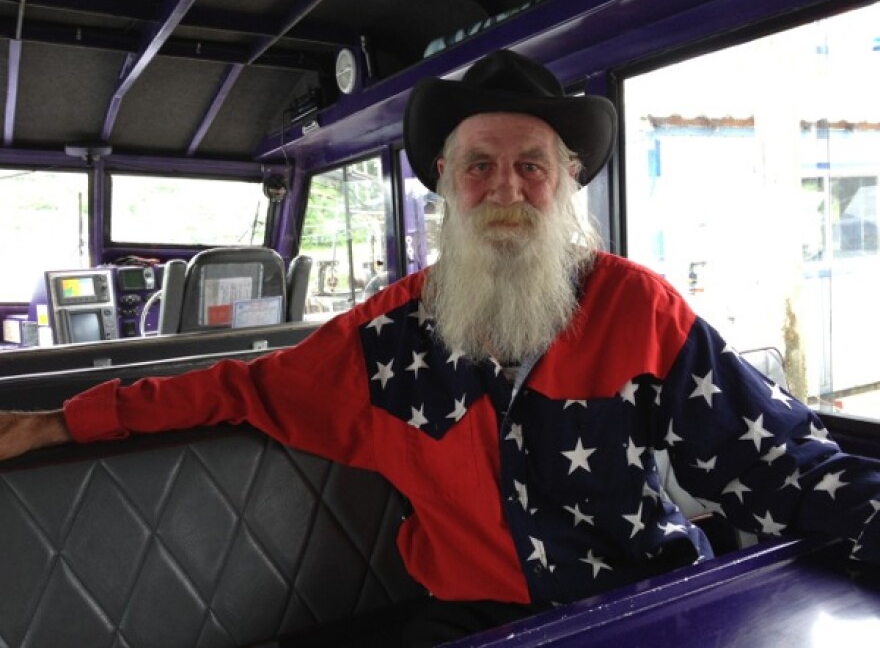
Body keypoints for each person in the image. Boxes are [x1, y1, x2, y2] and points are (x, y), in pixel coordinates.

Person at [2, 49, 880, 645]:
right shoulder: (383, 336)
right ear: (446, 186)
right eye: (479, 165)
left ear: (567, 181)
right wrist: (60, 423)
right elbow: (240, 387)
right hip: (475, 616)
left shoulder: (637, 306)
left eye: (532, 165)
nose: (506, 188)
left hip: (643, 602)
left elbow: (775, 460)